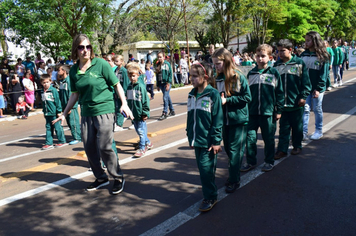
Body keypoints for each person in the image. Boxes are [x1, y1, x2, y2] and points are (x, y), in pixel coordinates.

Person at [53, 34, 133, 195]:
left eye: (88, 47)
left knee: (104, 146)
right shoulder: (74, 70)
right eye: (81, 47)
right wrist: (64, 113)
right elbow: (75, 94)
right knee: (89, 147)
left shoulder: (101, 64)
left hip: (105, 110)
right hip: (87, 112)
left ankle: (118, 178)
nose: (85, 50)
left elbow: (116, 85)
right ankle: (101, 178)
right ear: (76, 50)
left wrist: (124, 103)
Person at [212, 48, 251, 192]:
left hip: (238, 120)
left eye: (218, 63)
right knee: (229, 149)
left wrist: (227, 100)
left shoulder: (237, 77)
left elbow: (247, 97)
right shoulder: (218, 78)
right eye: (214, 64)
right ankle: (234, 172)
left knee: (235, 151)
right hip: (224, 121)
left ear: (227, 61)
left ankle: (234, 180)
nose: (215, 67)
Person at [186, 62, 223, 212]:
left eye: (195, 76)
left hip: (208, 141)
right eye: (190, 76)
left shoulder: (212, 94)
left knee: (206, 170)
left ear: (205, 77)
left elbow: (218, 119)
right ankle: (209, 193)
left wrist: (216, 141)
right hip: (197, 140)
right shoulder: (191, 94)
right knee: (202, 170)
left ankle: (211, 197)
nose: (191, 79)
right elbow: (190, 118)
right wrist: (190, 136)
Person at [242, 44, 284, 172]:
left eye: (263, 56)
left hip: (268, 113)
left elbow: (280, 93)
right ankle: (250, 161)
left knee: (268, 139)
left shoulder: (274, 72)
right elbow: (246, 93)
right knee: (250, 139)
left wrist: (279, 110)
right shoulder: (251, 73)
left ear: (270, 57)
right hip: (252, 113)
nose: (260, 58)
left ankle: (269, 161)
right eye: (258, 56)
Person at [273, 39, 311, 160]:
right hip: (282, 104)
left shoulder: (299, 63)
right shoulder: (276, 65)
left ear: (290, 50)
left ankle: (297, 145)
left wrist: (303, 96)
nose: (280, 53)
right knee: (283, 128)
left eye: (282, 51)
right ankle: (282, 149)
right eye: (278, 51)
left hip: (296, 102)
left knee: (297, 126)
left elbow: (306, 82)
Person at [301, 31, 329, 141]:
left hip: (317, 88)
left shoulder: (323, 56)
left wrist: (319, 88)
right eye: (305, 41)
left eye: (308, 40)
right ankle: (303, 132)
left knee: (317, 109)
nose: (306, 43)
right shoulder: (303, 54)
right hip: (305, 88)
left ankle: (319, 130)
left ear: (315, 41)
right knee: (305, 109)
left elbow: (324, 74)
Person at [126, 62, 153, 157]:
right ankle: (148, 143)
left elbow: (145, 101)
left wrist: (145, 113)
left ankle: (142, 148)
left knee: (141, 131)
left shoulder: (140, 87)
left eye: (133, 76)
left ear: (138, 75)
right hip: (133, 114)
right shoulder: (129, 87)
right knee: (138, 130)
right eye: (130, 76)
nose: (132, 78)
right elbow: (128, 101)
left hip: (140, 113)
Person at [40, 74, 67, 150]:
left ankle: (62, 140)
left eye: (47, 82)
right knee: (48, 128)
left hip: (54, 113)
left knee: (57, 127)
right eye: (44, 82)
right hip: (47, 113)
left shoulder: (53, 90)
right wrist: (44, 111)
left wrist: (58, 111)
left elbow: (57, 101)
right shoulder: (42, 91)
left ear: (50, 81)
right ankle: (49, 143)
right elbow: (43, 102)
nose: (45, 84)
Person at [57, 65, 81, 145]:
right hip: (65, 106)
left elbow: (71, 94)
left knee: (73, 121)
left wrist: (70, 106)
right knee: (69, 122)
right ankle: (74, 136)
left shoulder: (69, 81)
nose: (58, 72)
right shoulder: (62, 82)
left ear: (64, 71)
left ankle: (77, 137)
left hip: (71, 106)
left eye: (59, 70)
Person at [156, 51, 175, 120]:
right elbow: (157, 75)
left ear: (163, 57)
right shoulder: (158, 65)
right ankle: (172, 110)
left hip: (166, 83)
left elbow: (170, 74)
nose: (159, 58)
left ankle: (165, 112)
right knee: (167, 97)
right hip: (161, 84)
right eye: (158, 57)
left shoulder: (167, 64)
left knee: (165, 98)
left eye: (160, 57)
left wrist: (168, 83)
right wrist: (158, 85)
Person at [113, 54, 131, 131]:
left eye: (117, 61)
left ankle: (119, 124)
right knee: (119, 108)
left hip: (123, 93)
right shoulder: (115, 70)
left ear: (121, 62)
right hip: (117, 93)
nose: (115, 62)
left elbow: (126, 83)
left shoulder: (124, 71)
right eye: (115, 61)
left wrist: (125, 94)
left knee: (122, 108)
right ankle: (121, 121)